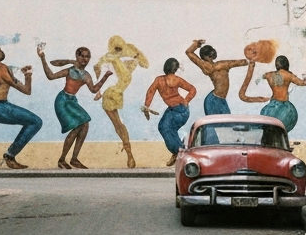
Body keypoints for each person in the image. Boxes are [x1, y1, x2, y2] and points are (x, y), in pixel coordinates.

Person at [38, 44, 112, 169]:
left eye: (87, 57)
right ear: (77, 56)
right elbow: (51, 75)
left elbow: (94, 90)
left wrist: (105, 77)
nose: (85, 59)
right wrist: (43, 58)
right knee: (79, 126)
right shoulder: (70, 70)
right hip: (62, 100)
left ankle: (74, 159)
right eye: (82, 56)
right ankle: (62, 159)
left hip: (72, 101)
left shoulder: (86, 75)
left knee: (85, 124)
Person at [0, 42, 41, 169]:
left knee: (35, 122)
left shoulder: (5, 68)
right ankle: (10, 155)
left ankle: (10, 155)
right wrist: (20, 77)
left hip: (1, 105)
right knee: (35, 122)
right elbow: (17, 85)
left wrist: (28, 76)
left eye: (0, 49)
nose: (1, 51)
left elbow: (27, 91)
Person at [93, 35, 149, 168]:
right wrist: (135, 57)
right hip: (116, 93)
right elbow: (145, 64)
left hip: (110, 93)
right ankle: (129, 153)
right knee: (120, 125)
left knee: (118, 124)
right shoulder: (126, 58)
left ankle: (129, 153)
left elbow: (99, 69)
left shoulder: (110, 58)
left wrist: (99, 92)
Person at [142, 58, 197, 166]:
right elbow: (193, 89)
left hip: (179, 110)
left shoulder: (159, 80)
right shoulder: (176, 79)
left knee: (165, 128)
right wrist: (147, 107)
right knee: (167, 128)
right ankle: (178, 151)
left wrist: (147, 106)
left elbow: (150, 91)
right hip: (179, 109)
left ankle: (179, 153)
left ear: (165, 67)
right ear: (175, 69)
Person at [239, 55, 306, 132]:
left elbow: (261, 77)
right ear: (286, 64)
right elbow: (303, 83)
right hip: (285, 108)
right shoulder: (289, 75)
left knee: (268, 129)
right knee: (282, 128)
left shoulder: (269, 75)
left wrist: (258, 79)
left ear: (276, 65)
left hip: (271, 107)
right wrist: (305, 78)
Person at [185, 39, 250, 115]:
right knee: (214, 124)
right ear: (206, 56)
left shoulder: (221, 64)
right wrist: (196, 44)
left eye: (210, 55)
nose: (210, 57)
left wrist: (197, 44)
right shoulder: (209, 66)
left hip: (220, 100)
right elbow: (189, 52)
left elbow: (243, 62)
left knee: (227, 123)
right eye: (209, 55)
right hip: (213, 100)